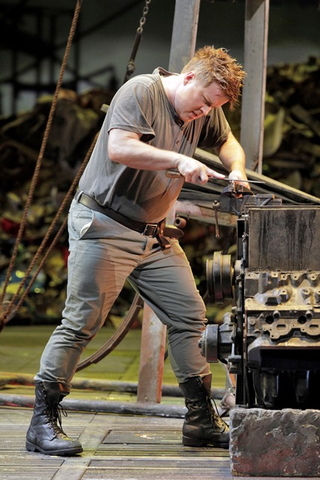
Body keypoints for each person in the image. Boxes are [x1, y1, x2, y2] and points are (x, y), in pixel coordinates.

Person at [26, 45, 248, 456]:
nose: (203, 112)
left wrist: (236, 168)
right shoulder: (140, 92)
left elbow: (227, 141)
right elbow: (121, 148)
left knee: (190, 318)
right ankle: (41, 423)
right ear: (187, 78)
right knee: (81, 323)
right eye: (201, 102)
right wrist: (179, 162)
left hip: (154, 237)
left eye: (211, 107)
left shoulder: (205, 106)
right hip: (105, 227)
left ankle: (200, 419)